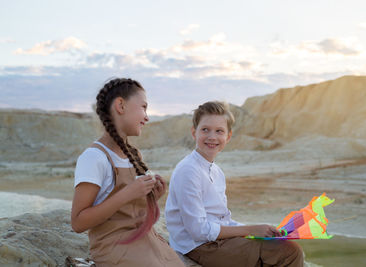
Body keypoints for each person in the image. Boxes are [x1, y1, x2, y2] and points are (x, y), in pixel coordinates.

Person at [165, 101, 304, 267]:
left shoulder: (216, 171)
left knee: (280, 245)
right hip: (198, 246)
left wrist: (261, 230)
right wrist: (250, 230)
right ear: (194, 133)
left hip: (215, 240)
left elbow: (223, 219)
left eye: (219, 131)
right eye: (205, 130)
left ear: (228, 136)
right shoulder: (188, 170)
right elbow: (198, 231)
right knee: (289, 252)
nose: (212, 137)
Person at [71, 78, 184, 267]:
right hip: (115, 247)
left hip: (145, 240)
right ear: (121, 106)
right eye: (144, 107)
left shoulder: (134, 154)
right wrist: (128, 193)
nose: (147, 117)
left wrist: (152, 195)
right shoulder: (94, 157)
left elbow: (129, 211)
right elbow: (78, 222)